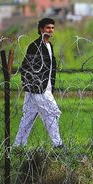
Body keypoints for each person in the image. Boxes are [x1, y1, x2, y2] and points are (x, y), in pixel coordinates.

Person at [14, 18, 63, 148]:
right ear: (41, 29)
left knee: (28, 117)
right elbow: (26, 67)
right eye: (48, 28)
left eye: (52, 28)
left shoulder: (49, 45)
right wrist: (31, 85)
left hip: (46, 87)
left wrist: (51, 86)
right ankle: (58, 144)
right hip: (38, 88)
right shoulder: (34, 46)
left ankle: (18, 145)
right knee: (52, 113)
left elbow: (51, 68)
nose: (50, 30)